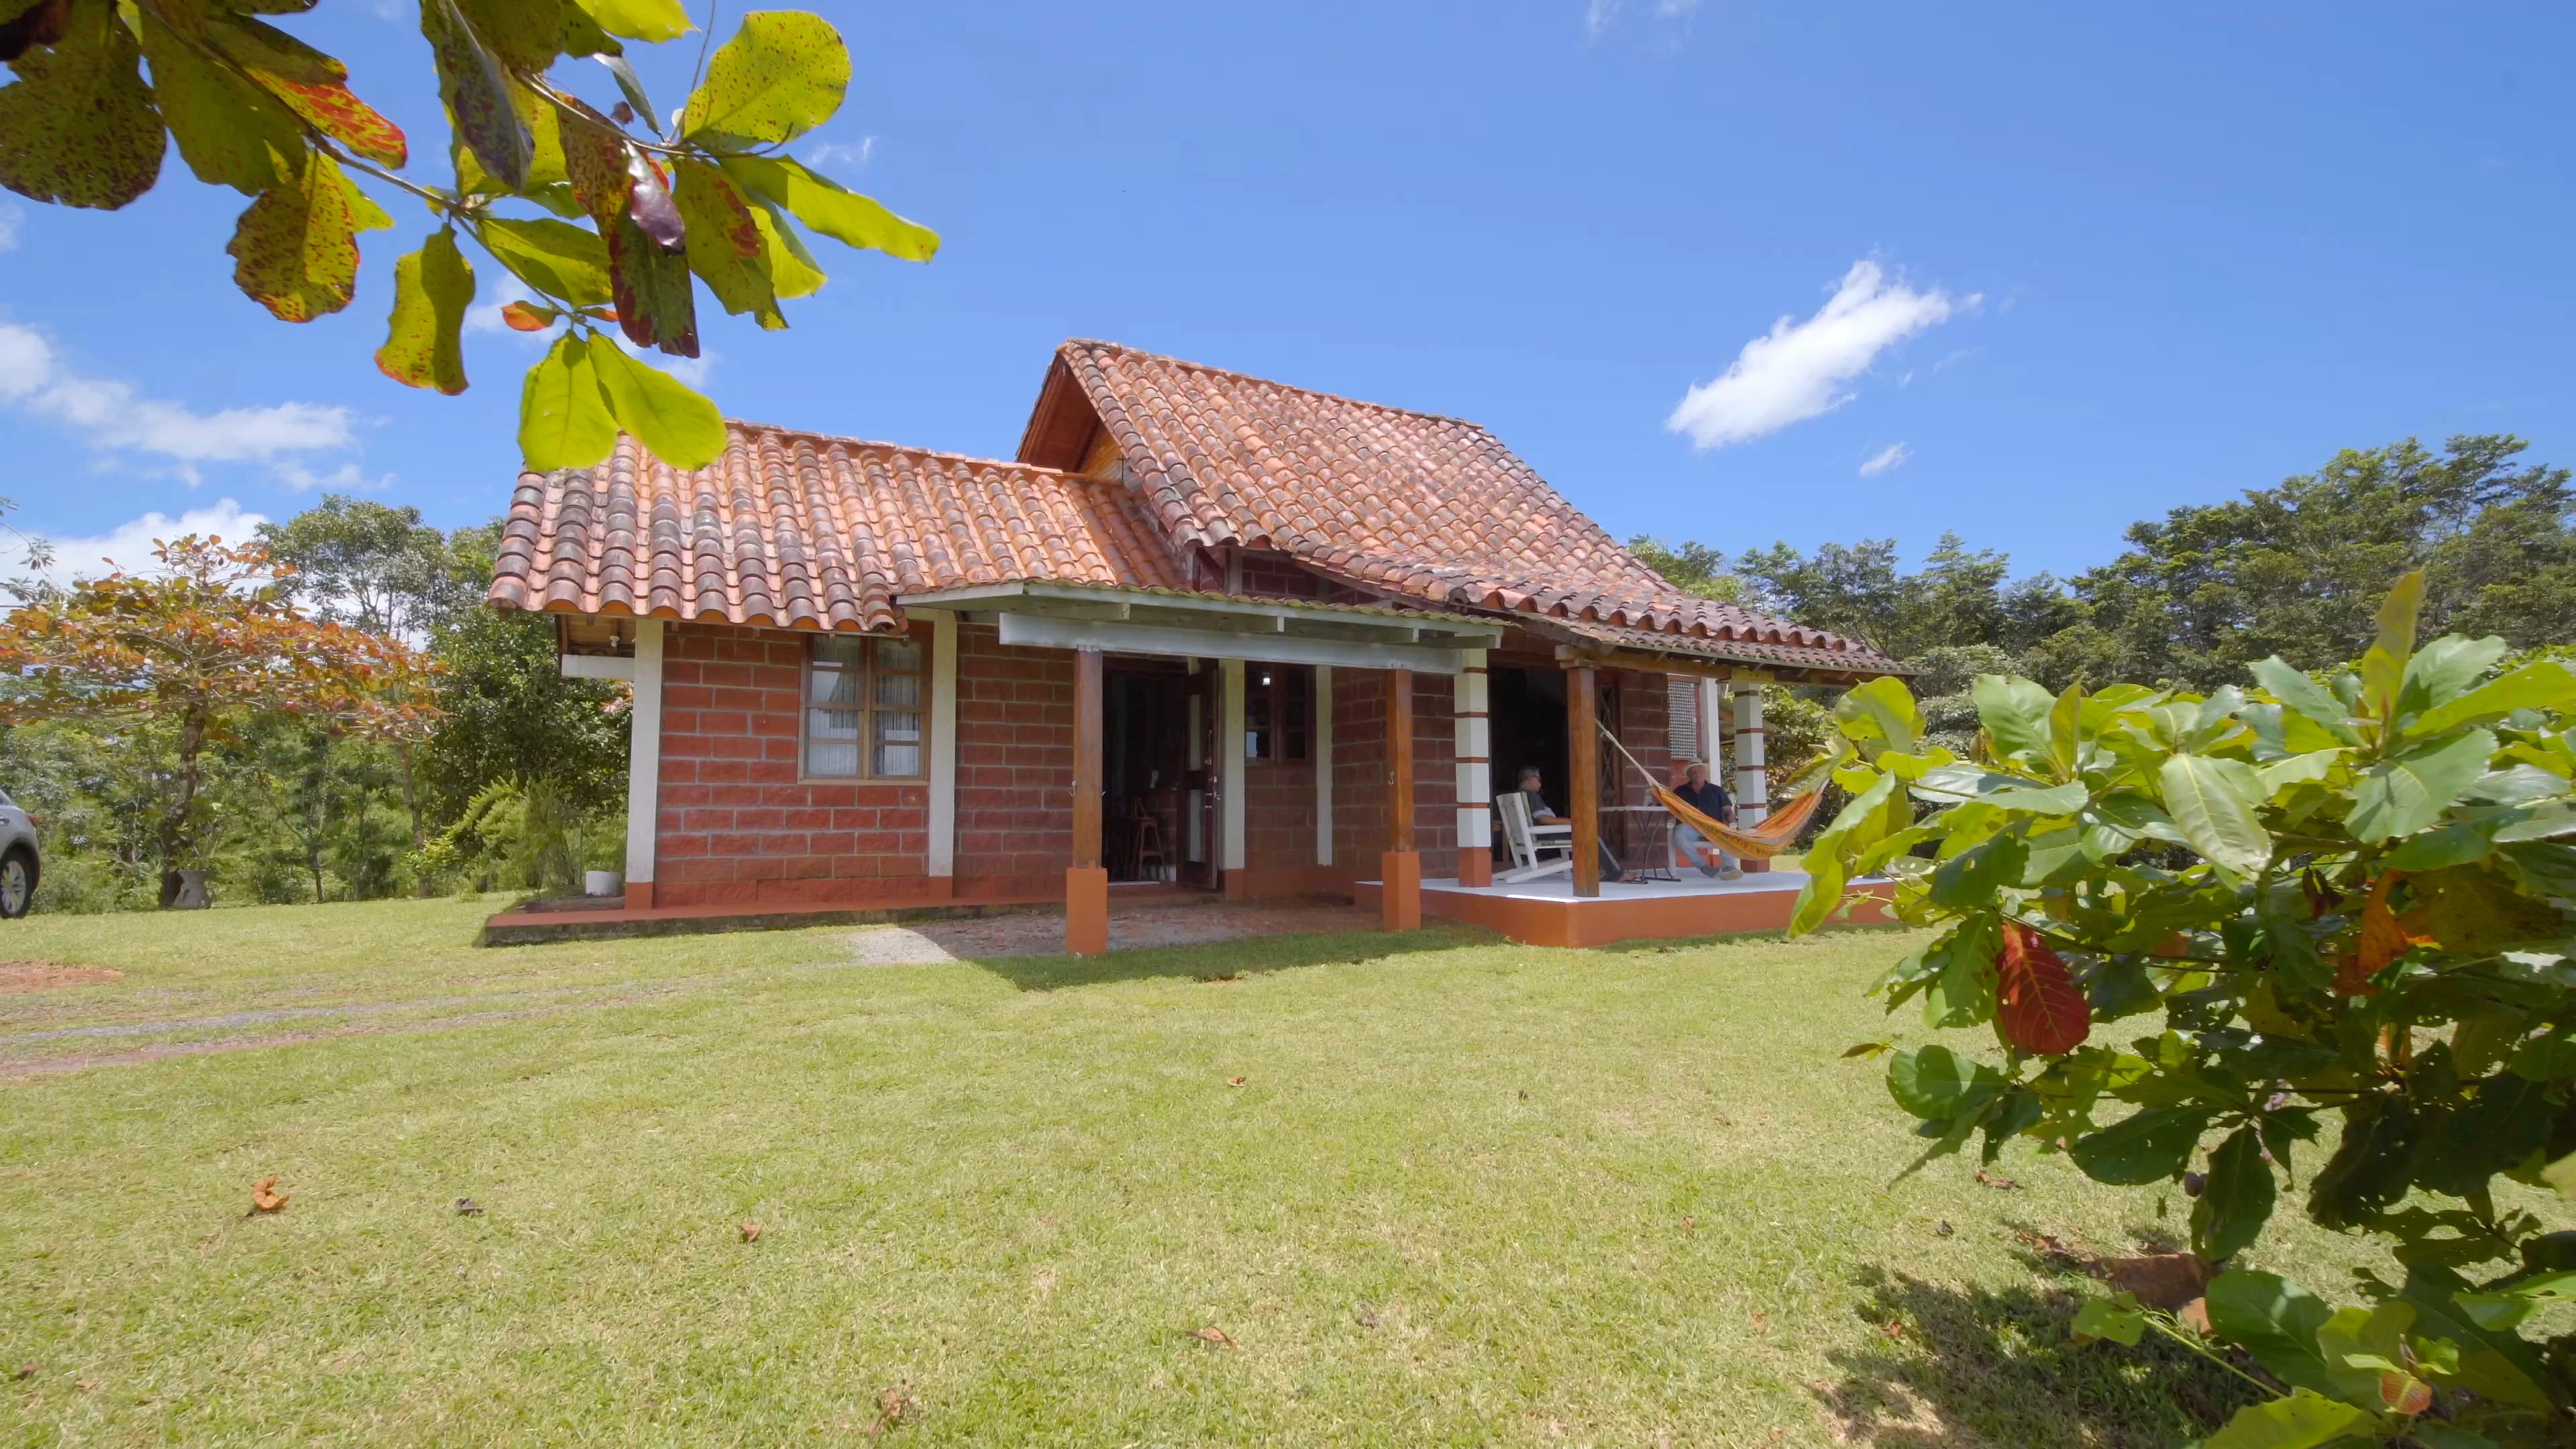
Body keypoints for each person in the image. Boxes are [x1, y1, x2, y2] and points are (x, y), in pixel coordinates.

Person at [1507, 764, 1625, 880]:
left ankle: (1606, 870)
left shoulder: (1518, 796)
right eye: (1539, 779)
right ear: (1530, 778)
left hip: (1535, 834)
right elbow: (1544, 819)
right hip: (1546, 834)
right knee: (1594, 838)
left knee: (1591, 836)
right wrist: (1574, 822)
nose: (1540, 783)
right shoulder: (1531, 796)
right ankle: (1618, 874)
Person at [1669, 759, 1743, 879]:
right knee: (1679, 833)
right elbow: (1672, 810)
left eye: (1700, 771)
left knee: (1728, 833)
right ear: (1688, 775)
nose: (1697, 774)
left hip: (1714, 827)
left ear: (1705, 773)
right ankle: (1703, 866)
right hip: (1691, 827)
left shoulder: (1717, 790)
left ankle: (1729, 868)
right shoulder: (1680, 791)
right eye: (1693, 772)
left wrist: (1732, 822)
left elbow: (1728, 811)